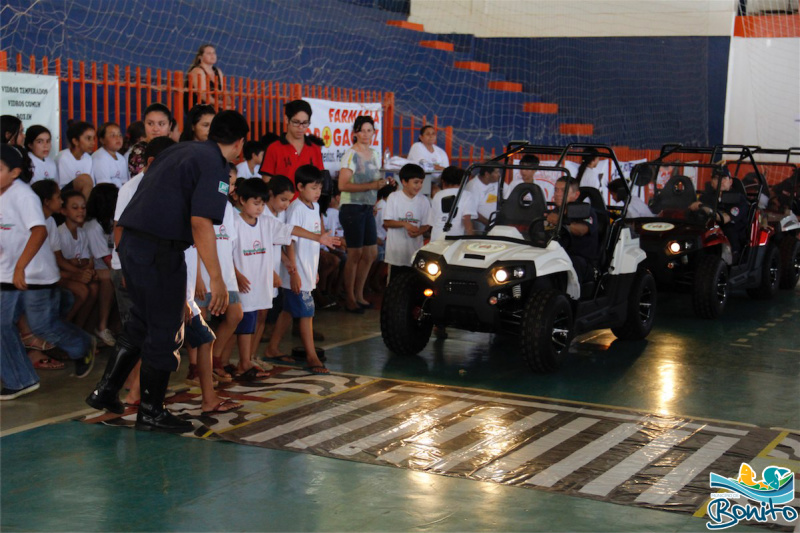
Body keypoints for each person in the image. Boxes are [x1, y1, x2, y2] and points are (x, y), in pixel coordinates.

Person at [85, 110, 250, 434]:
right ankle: (151, 411)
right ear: (241, 143)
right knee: (165, 328)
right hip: (159, 251)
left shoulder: (178, 149)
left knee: (141, 321)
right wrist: (216, 279)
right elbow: (201, 222)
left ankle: (105, 391)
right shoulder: (215, 165)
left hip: (132, 244)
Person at [1, 144, 95, 400]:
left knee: (43, 326)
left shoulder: (23, 196)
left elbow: (38, 231)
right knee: (1, 324)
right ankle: (20, 379)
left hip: (36, 274)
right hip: (7, 273)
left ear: (14, 173)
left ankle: (82, 344)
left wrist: (20, 266)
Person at [110, 137, 177, 408]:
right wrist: (128, 267)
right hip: (133, 267)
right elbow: (119, 229)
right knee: (139, 332)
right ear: (151, 163)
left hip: (154, 269)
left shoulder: (167, 185)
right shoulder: (132, 187)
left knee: (148, 331)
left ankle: (133, 390)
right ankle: (128, 391)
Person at [265, 165, 338, 374]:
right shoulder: (296, 208)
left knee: (288, 310)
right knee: (306, 312)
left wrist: (312, 269)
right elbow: (290, 241)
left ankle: (272, 348)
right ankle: (311, 356)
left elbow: (313, 242)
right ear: (300, 187)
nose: (317, 192)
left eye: (319, 187)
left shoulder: (314, 207)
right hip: (296, 270)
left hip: (306, 268)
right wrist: (294, 272)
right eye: (313, 187)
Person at [338, 115, 390, 313]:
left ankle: (359, 294)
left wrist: (385, 185)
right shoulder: (351, 155)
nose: (366, 134)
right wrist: (372, 185)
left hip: (367, 207)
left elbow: (376, 182)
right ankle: (349, 297)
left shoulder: (375, 154)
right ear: (355, 133)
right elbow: (343, 185)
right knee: (355, 253)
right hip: (352, 207)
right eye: (362, 130)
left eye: (370, 130)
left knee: (371, 253)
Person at [57, 190, 99, 330]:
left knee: (94, 287)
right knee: (82, 290)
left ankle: (79, 329)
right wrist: (79, 266)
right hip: (62, 276)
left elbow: (88, 260)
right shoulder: (60, 233)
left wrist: (81, 266)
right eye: (75, 208)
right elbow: (61, 264)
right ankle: (63, 330)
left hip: (77, 273)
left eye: (83, 207)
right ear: (63, 211)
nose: (80, 211)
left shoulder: (82, 232)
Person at [546, 177, 601, 282]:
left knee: (566, 263)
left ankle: (569, 296)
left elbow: (581, 230)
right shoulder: (554, 212)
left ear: (576, 195)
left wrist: (560, 221)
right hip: (558, 255)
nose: (557, 194)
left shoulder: (586, 212)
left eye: (563, 190)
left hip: (583, 261)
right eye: (556, 190)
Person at [84, 184, 119, 346]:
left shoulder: (111, 221)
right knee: (109, 278)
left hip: (108, 264)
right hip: (94, 266)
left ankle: (114, 326)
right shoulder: (92, 226)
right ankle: (102, 326)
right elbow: (106, 258)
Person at [383, 164, 432, 277]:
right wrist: (404, 224)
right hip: (396, 255)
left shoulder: (424, 200)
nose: (419, 186)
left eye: (421, 182)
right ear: (404, 182)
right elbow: (387, 222)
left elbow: (426, 225)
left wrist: (418, 232)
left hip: (414, 253)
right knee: (395, 287)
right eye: (416, 182)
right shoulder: (394, 197)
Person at [689, 167, 749, 257]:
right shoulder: (706, 197)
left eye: (724, 178)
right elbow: (691, 210)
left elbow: (724, 219)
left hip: (731, 239)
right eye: (716, 178)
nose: (720, 181)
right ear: (712, 182)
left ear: (730, 182)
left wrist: (703, 207)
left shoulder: (738, 199)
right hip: (707, 235)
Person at [258, 100, 323, 182]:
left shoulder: (315, 149)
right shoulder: (273, 148)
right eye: (296, 122)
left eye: (305, 123)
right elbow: (267, 181)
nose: (300, 127)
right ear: (286, 119)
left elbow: (319, 182)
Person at [431, 166, 476, 242]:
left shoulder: (438, 195)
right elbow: (467, 221)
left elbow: (433, 221)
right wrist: (471, 240)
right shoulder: (467, 195)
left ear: (443, 181)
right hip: (455, 238)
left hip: (437, 237)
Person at [127, 103, 172, 176]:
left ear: (170, 126)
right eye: (150, 124)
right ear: (144, 124)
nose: (155, 129)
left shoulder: (175, 148)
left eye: (161, 124)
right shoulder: (138, 151)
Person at [56, 121, 95, 199]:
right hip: (63, 196)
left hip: (78, 196)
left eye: (94, 138)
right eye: (88, 138)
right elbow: (63, 186)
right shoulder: (63, 157)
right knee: (86, 179)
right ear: (75, 141)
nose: (93, 142)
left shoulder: (88, 158)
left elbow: (91, 185)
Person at [92, 122, 129, 188]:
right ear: (102, 140)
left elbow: (124, 184)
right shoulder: (99, 158)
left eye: (120, 135)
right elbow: (104, 187)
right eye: (113, 135)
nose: (118, 138)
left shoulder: (121, 158)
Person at [465, 165, 501, 233]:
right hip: (480, 222)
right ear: (487, 174)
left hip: (493, 222)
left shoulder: (495, 182)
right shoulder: (473, 186)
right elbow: (472, 211)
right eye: (496, 172)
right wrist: (488, 223)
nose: (499, 175)